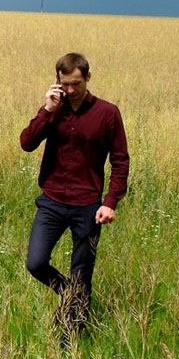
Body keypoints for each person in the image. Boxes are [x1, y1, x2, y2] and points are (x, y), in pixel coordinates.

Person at [20, 53, 129, 341]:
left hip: (88, 206)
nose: (69, 90)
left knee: (82, 272)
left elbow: (120, 160)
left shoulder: (107, 113)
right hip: (52, 200)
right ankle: (73, 297)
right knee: (36, 263)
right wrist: (46, 109)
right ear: (57, 81)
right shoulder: (53, 110)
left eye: (75, 84)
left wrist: (110, 202)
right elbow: (27, 143)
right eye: (64, 84)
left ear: (88, 78)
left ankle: (73, 336)